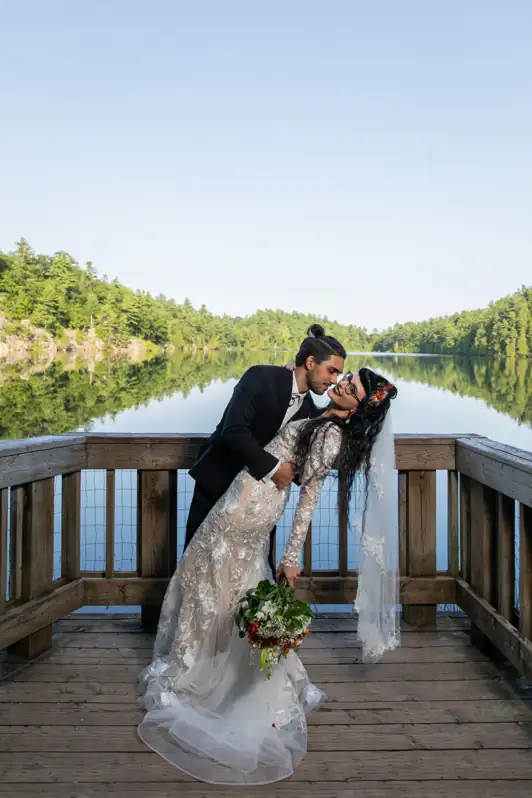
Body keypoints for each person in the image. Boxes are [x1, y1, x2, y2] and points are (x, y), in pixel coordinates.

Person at [137, 366, 400, 785]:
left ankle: (195, 672)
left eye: (349, 388)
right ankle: (200, 657)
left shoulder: (331, 436)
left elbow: (308, 497)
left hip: (250, 508)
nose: (340, 384)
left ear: (357, 408)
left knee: (206, 577)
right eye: (344, 377)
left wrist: (292, 557)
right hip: (242, 495)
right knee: (210, 580)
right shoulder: (321, 417)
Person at [184, 324, 346, 577]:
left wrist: (333, 415)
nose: (334, 379)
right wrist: (274, 469)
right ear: (311, 362)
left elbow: (303, 457)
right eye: (332, 371)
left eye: (338, 374)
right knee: (195, 568)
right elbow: (233, 430)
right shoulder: (260, 376)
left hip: (257, 502)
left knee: (249, 575)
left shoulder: (309, 409)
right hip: (218, 482)